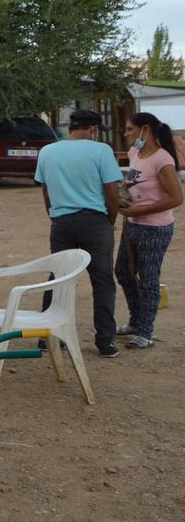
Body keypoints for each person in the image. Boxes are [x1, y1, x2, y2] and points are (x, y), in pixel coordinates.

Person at [33, 109, 124, 358]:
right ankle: (105, 341)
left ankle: (48, 337)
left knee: (58, 278)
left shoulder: (48, 151)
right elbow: (112, 193)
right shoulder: (101, 151)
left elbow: (46, 190)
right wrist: (110, 221)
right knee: (103, 281)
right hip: (95, 221)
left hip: (61, 221)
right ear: (93, 129)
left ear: (71, 127)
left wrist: (54, 215)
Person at [116, 112, 183, 350]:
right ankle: (136, 321)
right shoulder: (135, 153)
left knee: (149, 280)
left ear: (145, 130)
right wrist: (122, 196)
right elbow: (132, 183)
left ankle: (145, 332)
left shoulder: (162, 159)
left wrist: (141, 210)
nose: (126, 134)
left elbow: (176, 198)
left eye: (129, 129)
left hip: (154, 228)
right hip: (132, 225)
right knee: (123, 271)